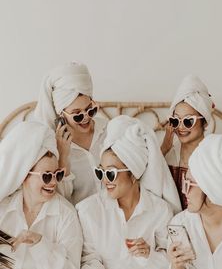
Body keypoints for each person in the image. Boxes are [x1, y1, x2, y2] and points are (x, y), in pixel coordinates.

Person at [77, 115, 181, 269]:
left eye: (111, 173)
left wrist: (149, 255)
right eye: (101, 172)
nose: (105, 180)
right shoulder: (88, 211)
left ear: (133, 174)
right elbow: (88, 259)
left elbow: (172, 261)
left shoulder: (160, 211)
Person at [0, 121, 83, 269]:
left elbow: (72, 267)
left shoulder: (66, 215)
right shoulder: (3, 209)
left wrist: (39, 244)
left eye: (57, 175)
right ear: (25, 175)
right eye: (46, 176)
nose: (53, 182)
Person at [34, 61, 107, 204]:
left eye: (90, 110)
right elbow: (62, 199)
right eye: (77, 114)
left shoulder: (109, 130)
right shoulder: (52, 149)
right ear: (61, 114)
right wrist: (64, 157)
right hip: (80, 220)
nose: (86, 117)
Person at [168, 134, 222, 269]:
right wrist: (176, 267)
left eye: (189, 184)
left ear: (212, 188)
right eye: (183, 182)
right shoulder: (181, 224)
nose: (183, 191)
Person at [161, 75, 214, 209]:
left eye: (188, 121)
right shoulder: (167, 154)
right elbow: (146, 189)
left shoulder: (213, 156)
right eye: (175, 121)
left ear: (204, 122)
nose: (181, 127)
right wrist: (163, 149)